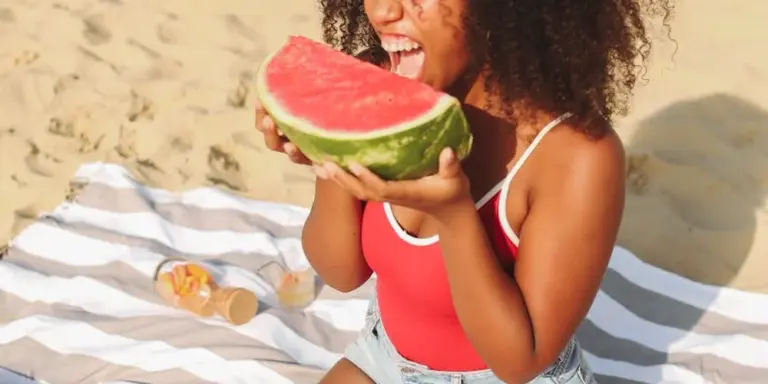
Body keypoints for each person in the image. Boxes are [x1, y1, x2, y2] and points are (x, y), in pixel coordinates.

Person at [255, 0, 673, 382]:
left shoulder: (577, 155)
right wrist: (326, 149)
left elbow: (519, 361)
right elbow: (341, 273)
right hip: (383, 357)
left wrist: (454, 217)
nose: (382, 11)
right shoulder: (376, 80)